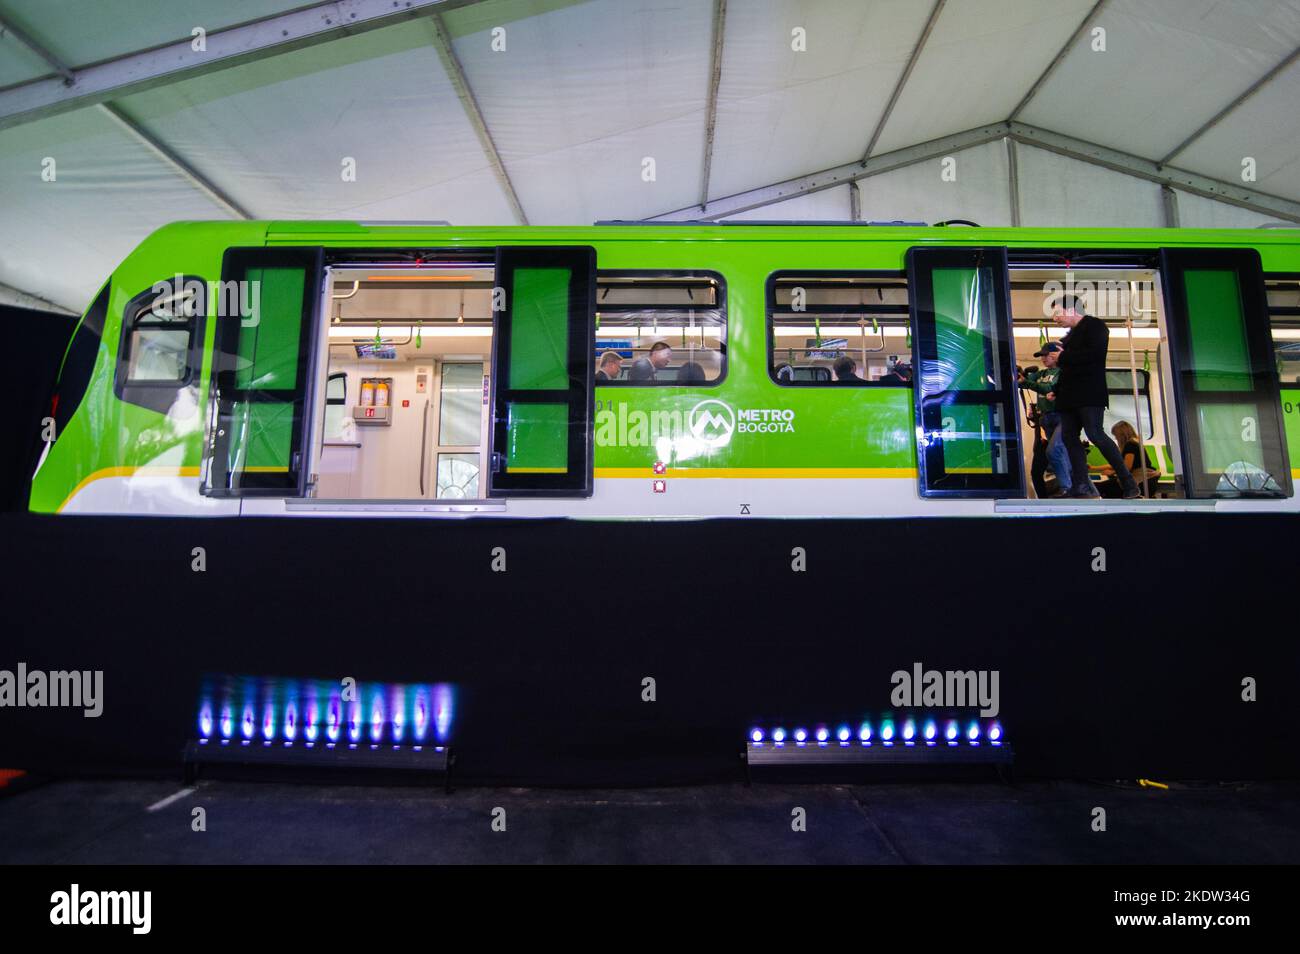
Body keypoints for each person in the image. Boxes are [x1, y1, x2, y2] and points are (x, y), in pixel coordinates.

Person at [1053, 294, 1140, 499]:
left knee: (1095, 434)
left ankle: (1128, 482)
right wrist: (1055, 391)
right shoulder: (1069, 337)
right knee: (1069, 438)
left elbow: (1094, 355)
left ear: (1071, 310)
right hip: (1069, 397)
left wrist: (1063, 357)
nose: (1055, 318)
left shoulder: (1096, 327)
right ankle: (1081, 484)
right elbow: (1068, 369)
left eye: (1057, 313)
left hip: (1089, 393)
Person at [1019, 342, 1071, 497]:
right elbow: (1024, 381)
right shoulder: (1041, 374)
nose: (1043, 358)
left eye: (1046, 355)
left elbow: (1049, 389)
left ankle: (1067, 488)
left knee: (1055, 450)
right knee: (1058, 454)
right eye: (1041, 355)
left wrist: (1026, 383)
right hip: (1046, 419)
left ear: (1056, 354)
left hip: (1062, 416)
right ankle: (1071, 487)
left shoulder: (1063, 372)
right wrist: (1020, 375)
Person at [1096, 420, 1160, 498]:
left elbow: (1127, 467)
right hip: (1147, 480)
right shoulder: (1135, 443)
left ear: (1122, 435)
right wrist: (1093, 468)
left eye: (1116, 435)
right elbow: (1118, 465)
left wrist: (1112, 472)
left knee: (1100, 488)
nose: (1116, 438)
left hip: (1142, 482)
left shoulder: (1130, 445)